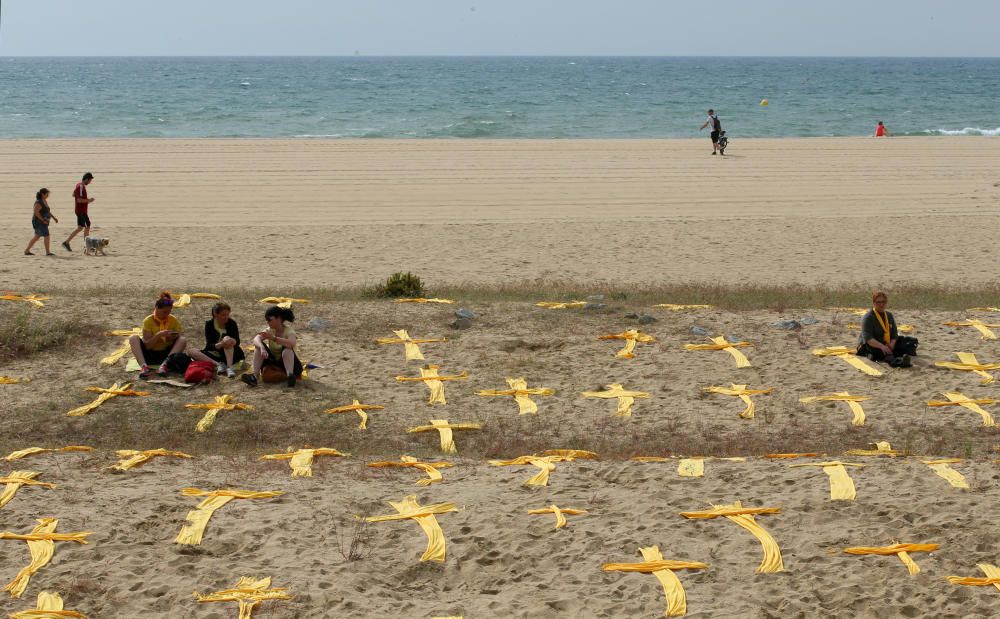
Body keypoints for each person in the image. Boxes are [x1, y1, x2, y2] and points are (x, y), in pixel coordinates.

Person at [129, 292, 219, 379]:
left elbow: (179, 339)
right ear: (156, 308)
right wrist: (159, 335)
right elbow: (147, 346)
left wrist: (171, 338)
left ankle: (165, 365)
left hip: (166, 354)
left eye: (168, 312)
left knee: (182, 339)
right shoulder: (148, 321)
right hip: (150, 354)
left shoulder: (172, 320)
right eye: (164, 312)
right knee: (133, 338)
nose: (166, 315)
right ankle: (144, 367)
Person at [241, 305, 302, 388]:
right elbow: (256, 339)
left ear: (279, 318)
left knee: (287, 349)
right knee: (258, 347)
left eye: (270, 320)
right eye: (267, 320)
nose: (268, 323)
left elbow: (292, 343)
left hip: (289, 364)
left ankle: (290, 376)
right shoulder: (269, 330)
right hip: (274, 361)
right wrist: (262, 348)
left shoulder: (289, 331)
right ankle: (254, 377)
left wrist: (273, 338)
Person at [857, 291, 916, 368]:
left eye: (884, 302)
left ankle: (895, 353)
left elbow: (894, 335)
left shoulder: (889, 315)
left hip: (887, 342)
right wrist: (882, 346)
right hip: (872, 344)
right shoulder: (868, 317)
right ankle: (899, 363)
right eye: (878, 302)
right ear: (873, 303)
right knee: (883, 352)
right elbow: (868, 339)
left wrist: (892, 344)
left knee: (909, 342)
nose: (881, 304)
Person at [202, 301, 244, 378]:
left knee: (227, 339)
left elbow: (237, 342)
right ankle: (218, 365)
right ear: (215, 314)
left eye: (228, 315)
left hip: (232, 353)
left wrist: (231, 341)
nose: (226, 317)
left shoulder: (232, 323)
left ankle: (229, 368)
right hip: (215, 353)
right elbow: (209, 345)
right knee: (192, 351)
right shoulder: (209, 324)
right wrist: (220, 344)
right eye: (223, 315)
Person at [62, 172, 95, 252]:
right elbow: (79, 199)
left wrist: (84, 200)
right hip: (81, 211)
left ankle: (66, 242)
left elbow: (73, 194)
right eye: (90, 180)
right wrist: (88, 200)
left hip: (81, 210)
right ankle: (87, 246)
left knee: (80, 228)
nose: (90, 182)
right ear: (86, 179)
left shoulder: (79, 185)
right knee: (87, 226)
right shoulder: (80, 186)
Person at [24, 189, 59, 256]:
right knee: (47, 235)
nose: (48, 195)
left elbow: (47, 211)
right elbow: (36, 212)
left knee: (37, 236)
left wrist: (54, 218)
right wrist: (43, 220)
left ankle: (27, 250)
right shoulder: (38, 202)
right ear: (43, 194)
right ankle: (48, 252)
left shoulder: (44, 201)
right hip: (39, 222)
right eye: (47, 194)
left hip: (43, 221)